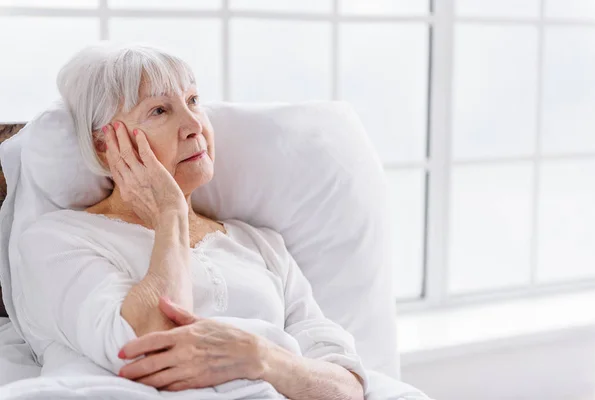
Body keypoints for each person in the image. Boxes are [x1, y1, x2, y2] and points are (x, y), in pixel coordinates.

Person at [15, 43, 366, 400]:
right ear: (105, 144)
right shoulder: (55, 240)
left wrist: (260, 357)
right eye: (160, 110)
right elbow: (151, 347)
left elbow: (347, 386)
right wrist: (170, 214)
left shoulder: (259, 245)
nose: (194, 124)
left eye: (194, 101)